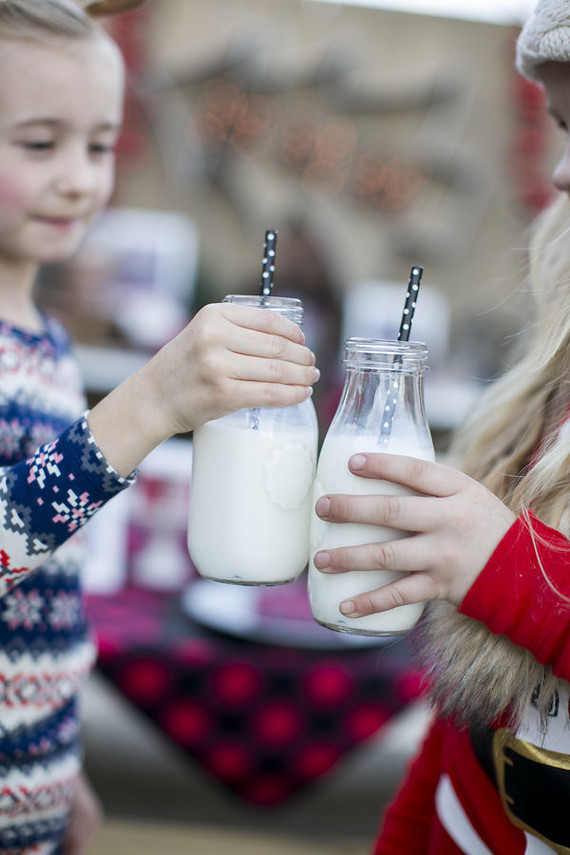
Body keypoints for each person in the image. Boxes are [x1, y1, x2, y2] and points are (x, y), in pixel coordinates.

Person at [0, 1, 319, 853]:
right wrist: (149, 405)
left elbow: (35, 594)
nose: (80, 178)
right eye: (40, 143)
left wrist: (56, 759)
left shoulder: (43, 337)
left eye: (99, 145)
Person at [311, 1, 570, 852]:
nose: (561, 173)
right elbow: (467, 728)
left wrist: (510, 570)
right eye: (564, 126)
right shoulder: (551, 387)